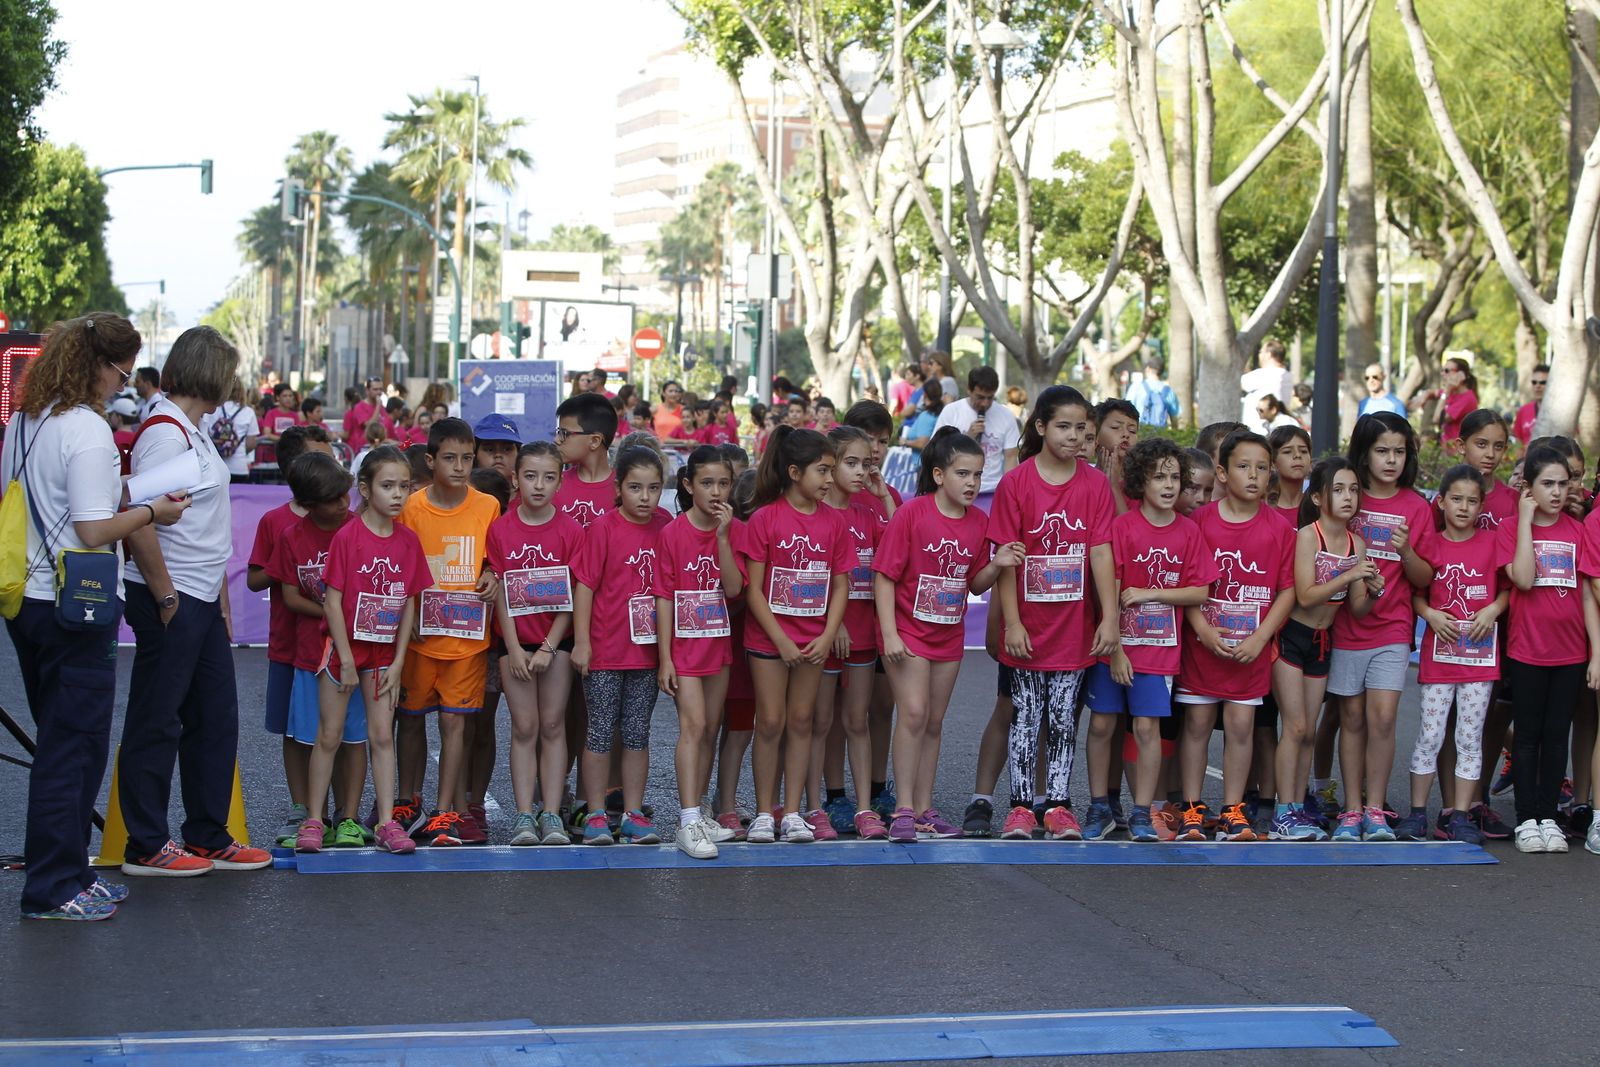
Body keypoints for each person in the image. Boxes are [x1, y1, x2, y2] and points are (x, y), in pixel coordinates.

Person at [4, 313, 189, 920]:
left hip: (27, 597)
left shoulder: (25, 419)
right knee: (74, 749)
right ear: (100, 366)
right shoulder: (85, 427)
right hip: (74, 601)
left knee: (62, 743)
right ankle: (55, 887)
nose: (122, 384)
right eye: (122, 372)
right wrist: (153, 512)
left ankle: (70, 873)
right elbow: (91, 529)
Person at [119, 326, 270, 877]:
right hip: (173, 593)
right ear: (212, 372)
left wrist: (219, 599)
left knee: (213, 717)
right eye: (229, 371)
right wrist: (165, 596)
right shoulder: (165, 433)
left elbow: (202, 522)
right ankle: (146, 844)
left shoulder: (193, 429)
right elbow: (139, 520)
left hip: (198, 594)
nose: (233, 381)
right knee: (158, 720)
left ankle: (207, 834)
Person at [988, 386, 1117, 841]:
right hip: (1028, 628)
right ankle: (1020, 808)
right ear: (1041, 426)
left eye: (1081, 427)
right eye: (1063, 426)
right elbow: (1007, 560)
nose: (1073, 436)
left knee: (1063, 720)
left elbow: (1101, 552)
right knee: (1025, 718)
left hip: (1075, 628)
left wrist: (1109, 617)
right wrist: (1013, 623)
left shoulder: (1095, 485)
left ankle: (1059, 806)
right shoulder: (1016, 483)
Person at [874, 428, 1009, 842]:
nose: (972, 483)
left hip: (948, 636)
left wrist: (998, 563)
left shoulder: (980, 521)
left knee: (933, 721)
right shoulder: (912, 513)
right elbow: (884, 576)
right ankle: (902, 809)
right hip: (907, 632)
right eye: (962, 473)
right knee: (913, 714)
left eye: (977, 474)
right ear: (938, 475)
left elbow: (975, 583)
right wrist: (890, 634)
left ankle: (924, 809)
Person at [1083, 438, 1213, 842]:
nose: (1169, 485)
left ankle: (1143, 811)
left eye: (1174, 477)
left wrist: (1151, 593)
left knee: (1146, 728)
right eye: (1159, 477)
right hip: (1114, 648)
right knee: (1102, 723)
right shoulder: (1123, 527)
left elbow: (1199, 591)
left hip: (1159, 654)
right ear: (1141, 481)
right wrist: (1117, 650)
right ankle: (1099, 805)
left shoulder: (1189, 532)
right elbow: (1110, 588)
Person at [1174, 430, 1297, 842]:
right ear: (1223, 473)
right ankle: (1192, 808)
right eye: (1244, 467)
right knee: (1197, 723)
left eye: (1262, 468)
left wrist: (1261, 638)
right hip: (1203, 646)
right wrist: (1202, 629)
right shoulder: (1199, 522)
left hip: (1250, 649)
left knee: (1242, 726)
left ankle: (1233, 810)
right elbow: (1187, 583)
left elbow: (1287, 590)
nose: (1254, 475)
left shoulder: (1280, 529)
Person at [740, 426, 852, 844]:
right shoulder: (765, 519)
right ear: (793, 472)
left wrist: (827, 634)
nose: (829, 479)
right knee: (770, 722)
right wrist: (781, 641)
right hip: (769, 642)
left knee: (802, 721)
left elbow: (840, 584)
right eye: (822, 470)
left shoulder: (834, 522)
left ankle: (791, 813)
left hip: (813, 642)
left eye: (831, 470)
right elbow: (753, 589)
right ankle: (763, 812)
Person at [1328, 412, 1436, 841]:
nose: (1391, 460)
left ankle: (1375, 809)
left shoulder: (1417, 506)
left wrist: (1406, 552)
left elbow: (1425, 577)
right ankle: (1351, 809)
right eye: (1382, 451)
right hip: (1346, 626)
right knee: (1351, 717)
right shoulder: (1349, 496)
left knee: (1384, 718)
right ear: (1364, 452)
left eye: (1399, 451)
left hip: (1393, 627)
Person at [396, 417, 501, 846]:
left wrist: (492, 573)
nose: (459, 467)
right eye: (450, 458)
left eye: (467, 459)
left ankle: (445, 812)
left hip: (467, 641)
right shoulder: (410, 508)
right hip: (419, 639)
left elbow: (495, 558)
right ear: (430, 460)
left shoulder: (487, 506)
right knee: (409, 721)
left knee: (455, 724)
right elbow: (399, 564)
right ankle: (407, 802)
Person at [571, 446, 672, 844]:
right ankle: (596, 813)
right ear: (618, 488)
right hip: (605, 651)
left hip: (646, 653)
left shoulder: (665, 526)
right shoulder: (603, 528)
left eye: (653, 488)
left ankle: (632, 813)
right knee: (599, 731)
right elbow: (584, 586)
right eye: (635, 487)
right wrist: (582, 642)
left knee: (636, 733)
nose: (645, 497)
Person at [1272, 458, 1375, 841]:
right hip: (1292, 636)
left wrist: (1372, 591)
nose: (1348, 497)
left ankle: (1298, 806)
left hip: (1323, 640)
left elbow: (1357, 607)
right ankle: (1283, 811)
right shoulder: (1307, 536)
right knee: (1295, 727)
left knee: (1309, 732)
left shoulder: (1357, 543)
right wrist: (1349, 574)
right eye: (1338, 489)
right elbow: (1305, 595)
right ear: (1317, 497)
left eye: (1354, 490)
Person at [1501, 444, 1598, 853]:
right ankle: (1526, 819)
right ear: (1528, 487)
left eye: (1562, 483)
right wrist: (1525, 521)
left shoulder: (1577, 530)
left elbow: (1588, 595)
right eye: (1547, 484)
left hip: (1571, 653)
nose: (1557, 492)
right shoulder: (1510, 528)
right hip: (1527, 651)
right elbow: (1523, 579)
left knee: (1557, 737)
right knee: (1527, 737)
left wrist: (1596, 653)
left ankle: (1548, 817)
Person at [269, 454, 366, 852]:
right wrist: (332, 610)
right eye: (332, 499)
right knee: (312, 738)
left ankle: (349, 817)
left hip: (359, 654)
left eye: (345, 495)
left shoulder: (359, 529)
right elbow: (290, 596)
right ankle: (314, 817)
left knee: (354, 737)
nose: (343, 504)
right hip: (310, 655)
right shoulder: (292, 536)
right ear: (309, 503)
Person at [1402, 465, 1505, 845]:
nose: (1463, 507)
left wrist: (1492, 610)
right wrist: (1429, 615)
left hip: (1479, 663)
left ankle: (1461, 816)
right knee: (1430, 735)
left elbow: (1508, 589)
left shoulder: (1492, 542)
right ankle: (1417, 815)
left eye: (1472, 501)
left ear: (1482, 506)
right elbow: (1416, 594)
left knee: (1469, 738)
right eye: (1456, 499)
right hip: (1439, 662)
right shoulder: (1430, 543)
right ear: (1441, 501)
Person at [487, 442, 581, 846]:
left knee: (553, 724)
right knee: (524, 726)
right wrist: (513, 648)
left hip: (556, 641)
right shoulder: (500, 529)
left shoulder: (571, 530)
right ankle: (524, 814)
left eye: (548, 477)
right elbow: (500, 590)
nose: (538, 485)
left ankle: (552, 812)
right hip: (514, 644)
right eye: (530, 476)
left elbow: (574, 594)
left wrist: (548, 647)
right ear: (515, 479)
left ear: (560, 482)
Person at [653, 446, 744, 859]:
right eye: (707, 483)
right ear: (689, 485)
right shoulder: (672, 533)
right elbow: (663, 596)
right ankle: (687, 820)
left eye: (723, 483)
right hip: (684, 649)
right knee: (693, 727)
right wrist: (666, 658)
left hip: (717, 644)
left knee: (709, 728)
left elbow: (733, 588)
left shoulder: (732, 530)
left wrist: (723, 537)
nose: (716, 491)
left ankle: (701, 813)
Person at [809, 426, 886, 841]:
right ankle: (819, 805)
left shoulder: (868, 513)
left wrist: (884, 497)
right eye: (851, 463)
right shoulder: (817, 514)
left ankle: (864, 808)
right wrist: (832, 623)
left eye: (866, 464)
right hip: (822, 636)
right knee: (820, 722)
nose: (860, 472)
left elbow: (897, 551)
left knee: (858, 720)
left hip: (862, 635)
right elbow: (814, 576)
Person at [934, 366, 1021, 499]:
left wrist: (1009, 491)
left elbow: (1011, 457)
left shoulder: (1006, 415)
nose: (985, 403)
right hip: (957, 491)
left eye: (990, 398)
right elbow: (937, 450)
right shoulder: (951, 412)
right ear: (969, 390)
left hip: (993, 490)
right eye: (980, 397)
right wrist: (967, 438)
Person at [201, 377, 260, 484]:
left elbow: (204, 434)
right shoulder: (248, 412)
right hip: (239, 466)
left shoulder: (212, 409)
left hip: (215, 467)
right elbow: (251, 443)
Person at [1240, 339, 1291, 429]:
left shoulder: (1266, 374)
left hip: (1260, 430)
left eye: (1261, 352)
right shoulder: (1287, 375)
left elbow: (1239, 383)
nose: (1259, 355)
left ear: (1269, 355)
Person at [1125, 357, 1179, 429]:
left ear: (1148, 369)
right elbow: (1174, 418)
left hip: (1140, 431)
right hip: (1161, 433)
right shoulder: (1169, 391)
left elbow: (1126, 411)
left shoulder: (1136, 386)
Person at [343, 376, 396, 443]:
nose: (379, 392)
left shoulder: (382, 407)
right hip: (365, 446)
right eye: (375, 389)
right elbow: (370, 426)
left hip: (382, 445)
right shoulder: (360, 407)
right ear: (367, 391)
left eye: (380, 389)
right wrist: (378, 406)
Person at [1513, 363, 1549, 445]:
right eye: (1534, 382)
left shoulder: (1561, 412)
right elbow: (1518, 443)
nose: (1537, 386)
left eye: (1543, 382)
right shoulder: (1523, 411)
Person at [905, 378, 944, 451]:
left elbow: (922, 443)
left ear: (925, 394)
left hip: (920, 458)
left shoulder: (927, 415)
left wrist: (905, 442)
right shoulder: (942, 412)